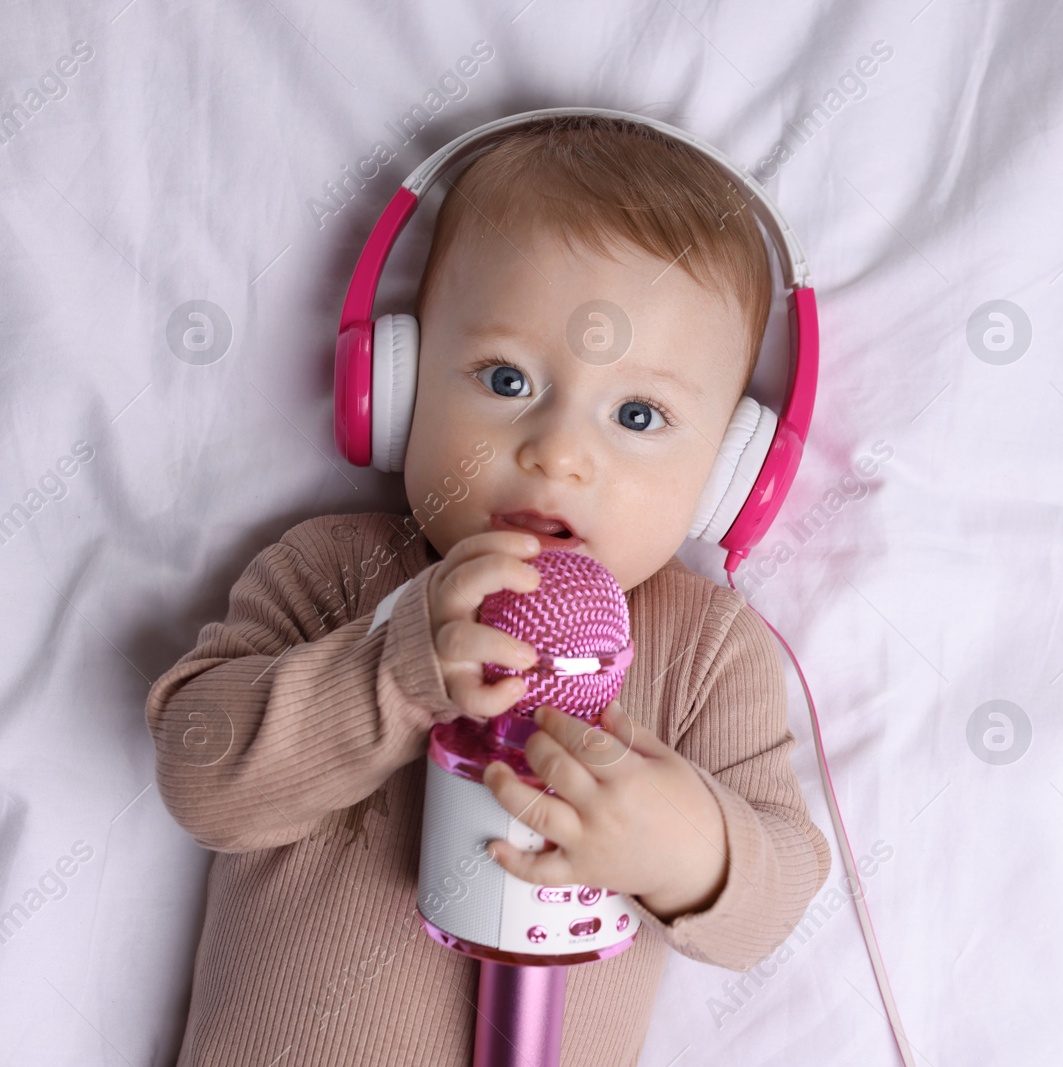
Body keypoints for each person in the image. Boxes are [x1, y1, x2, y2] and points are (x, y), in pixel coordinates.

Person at [145, 114, 831, 1066]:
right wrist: (387, 671)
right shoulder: (336, 573)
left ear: (728, 477)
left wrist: (689, 848)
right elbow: (198, 769)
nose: (558, 451)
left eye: (638, 414)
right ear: (394, 389)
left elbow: (780, 888)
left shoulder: (705, 647)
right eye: (505, 378)